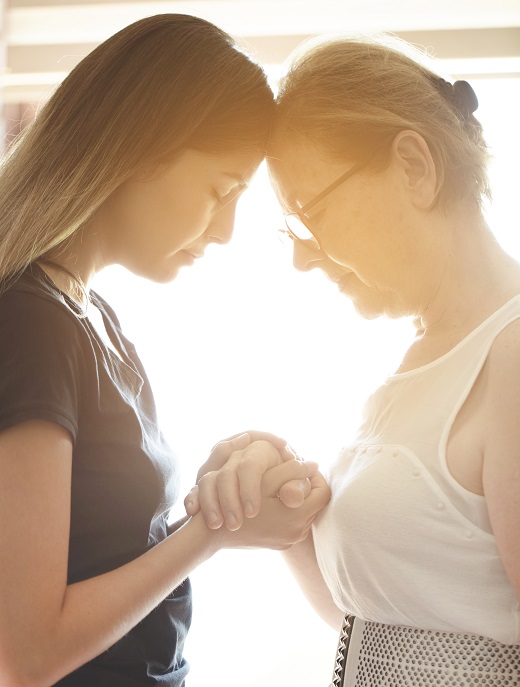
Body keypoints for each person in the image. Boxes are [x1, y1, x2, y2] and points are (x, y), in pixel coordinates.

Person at [0, 14, 331, 687]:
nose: (227, 229)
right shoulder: (34, 325)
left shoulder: (91, 317)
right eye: (221, 189)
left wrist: (210, 495)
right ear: (139, 151)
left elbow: (94, 549)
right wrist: (209, 532)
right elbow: (25, 656)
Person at [188, 36, 520, 685]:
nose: (302, 258)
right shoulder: (419, 365)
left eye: (309, 217)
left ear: (414, 167)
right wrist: (282, 507)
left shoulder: (510, 359)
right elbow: (367, 617)